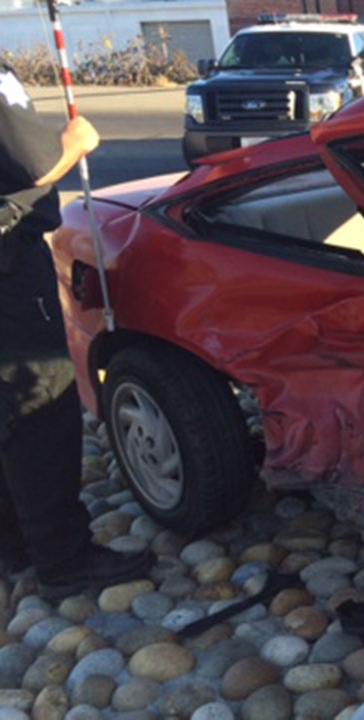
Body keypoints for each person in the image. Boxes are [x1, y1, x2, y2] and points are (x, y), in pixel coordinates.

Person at [1, 61, 154, 600]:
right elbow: (32, 164)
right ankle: (63, 557)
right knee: (39, 408)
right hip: (7, 265)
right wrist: (74, 141)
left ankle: (17, 545)